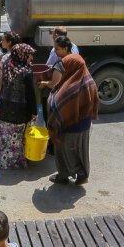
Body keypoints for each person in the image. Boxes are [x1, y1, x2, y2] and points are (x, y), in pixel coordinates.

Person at [46, 54, 98, 186]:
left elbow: (56, 105)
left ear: (71, 67)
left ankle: (63, 176)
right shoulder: (89, 81)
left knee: (63, 152)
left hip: (68, 126)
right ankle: (82, 175)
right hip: (85, 125)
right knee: (81, 151)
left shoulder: (69, 88)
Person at [0, 44, 37, 171]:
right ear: (22, 55)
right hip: (19, 111)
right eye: (29, 55)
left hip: (4, 108)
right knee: (16, 138)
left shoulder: (7, 66)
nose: (31, 58)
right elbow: (31, 94)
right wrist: (34, 112)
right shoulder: (26, 72)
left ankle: (2, 161)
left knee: (4, 135)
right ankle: (14, 162)